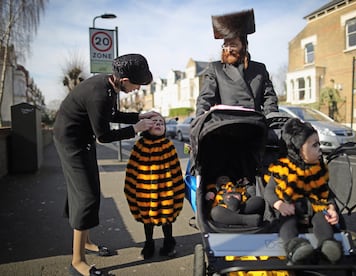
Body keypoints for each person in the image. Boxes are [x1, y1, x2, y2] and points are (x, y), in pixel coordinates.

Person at [54, 53, 158, 276]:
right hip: (72, 142)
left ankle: (87, 243)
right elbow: (104, 136)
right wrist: (136, 129)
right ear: (124, 80)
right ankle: (77, 262)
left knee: (88, 190)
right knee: (86, 196)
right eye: (137, 84)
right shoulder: (100, 92)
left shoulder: (108, 86)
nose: (138, 88)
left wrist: (140, 115)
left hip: (82, 140)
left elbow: (111, 114)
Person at [263, 118, 343, 265]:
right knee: (286, 223)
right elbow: (269, 192)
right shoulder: (282, 169)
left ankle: (327, 244)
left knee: (322, 218)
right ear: (298, 150)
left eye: (318, 144)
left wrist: (331, 208)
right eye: (314, 145)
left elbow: (326, 193)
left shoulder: (318, 169)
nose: (319, 149)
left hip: (313, 209)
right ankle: (295, 246)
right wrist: (279, 204)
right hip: (288, 209)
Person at [195, 9, 279, 117]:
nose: (228, 49)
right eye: (226, 45)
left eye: (233, 45)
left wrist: (271, 120)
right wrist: (200, 122)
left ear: (243, 45)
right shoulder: (215, 69)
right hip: (227, 127)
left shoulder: (259, 69)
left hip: (255, 126)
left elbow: (270, 100)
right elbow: (205, 100)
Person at [124, 113, 185, 260]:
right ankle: (149, 243)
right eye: (154, 122)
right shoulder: (139, 146)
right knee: (147, 219)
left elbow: (176, 172)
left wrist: (178, 193)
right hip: (144, 194)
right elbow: (131, 171)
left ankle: (169, 242)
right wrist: (130, 190)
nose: (158, 124)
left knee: (167, 218)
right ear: (145, 126)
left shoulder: (168, 146)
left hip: (166, 194)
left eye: (161, 123)